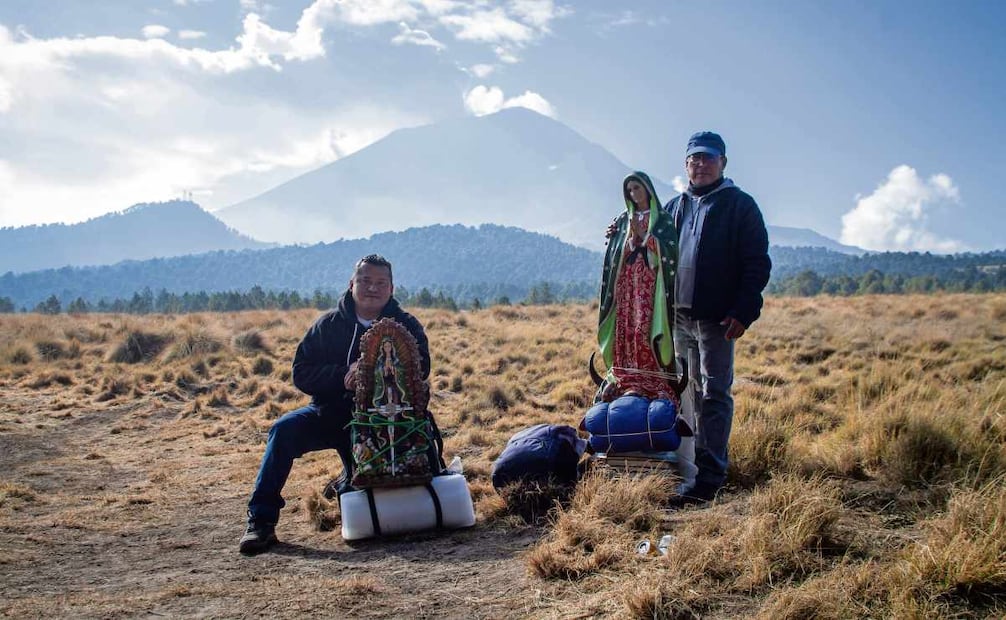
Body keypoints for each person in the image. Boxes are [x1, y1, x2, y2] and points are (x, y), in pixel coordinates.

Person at [239, 254, 430, 554]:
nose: (372, 288)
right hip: (330, 413)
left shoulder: (406, 325)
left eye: (381, 283)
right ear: (352, 283)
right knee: (283, 430)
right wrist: (341, 376)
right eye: (365, 281)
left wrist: (375, 373)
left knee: (391, 481)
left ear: (391, 289)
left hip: (385, 421)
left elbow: (422, 369)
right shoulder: (328, 325)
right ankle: (261, 521)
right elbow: (301, 372)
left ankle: (347, 478)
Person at [666, 131, 771, 507]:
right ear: (686, 165)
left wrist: (743, 311)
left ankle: (710, 477)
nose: (701, 165)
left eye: (709, 158)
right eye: (694, 159)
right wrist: (618, 231)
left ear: (723, 163)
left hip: (717, 320)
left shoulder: (740, 206)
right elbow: (645, 242)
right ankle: (687, 468)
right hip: (677, 319)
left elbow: (756, 263)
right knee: (684, 393)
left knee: (714, 393)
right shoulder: (674, 207)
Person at [597, 171, 679, 401]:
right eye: (629, 190)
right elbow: (616, 250)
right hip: (626, 283)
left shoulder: (662, 220)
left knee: (645, 326)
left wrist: (645, 236)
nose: (633, 194)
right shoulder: (623, 219)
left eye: (637, 188)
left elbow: (671, 252)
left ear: (647, 189)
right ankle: (625, 374)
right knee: (626, 325)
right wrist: (627, 241)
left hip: (651, 283)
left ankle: (651, 374)